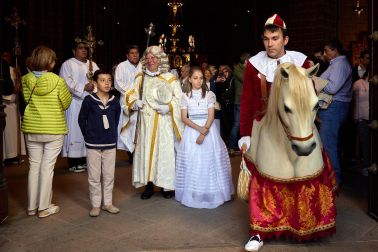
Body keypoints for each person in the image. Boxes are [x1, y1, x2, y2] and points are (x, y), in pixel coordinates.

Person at [238, 14, 337, 251]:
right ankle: (259, 231)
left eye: (275, 38)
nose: (270, 44)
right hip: (266, 127)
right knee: (265, 177)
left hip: (298, 126)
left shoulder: (301, 62)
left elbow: (309, 95)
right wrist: (245, 134)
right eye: (266, 39)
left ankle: (302, 224)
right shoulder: (254, 64)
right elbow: (248, 102)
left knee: (304, 174)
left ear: (285, 39)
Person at [121, 46, 184, 199]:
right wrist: (135, 103)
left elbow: (180, 100)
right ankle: (148, 186)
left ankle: (165, 186)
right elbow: (127, 97)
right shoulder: (140, 79)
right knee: (146, 152)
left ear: (160, 59)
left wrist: (168, 107)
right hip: (146, 123)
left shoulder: (170, 79)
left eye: (153, 57)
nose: (150, 61)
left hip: (165, 123)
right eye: (147, 58)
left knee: (164, 153)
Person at [21, 46, 72, 218]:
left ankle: (31, 207)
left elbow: (25, 99)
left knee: (34, 166)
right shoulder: (58, 81)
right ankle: (43, 207)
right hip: (53, 128)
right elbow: (66, 104)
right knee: (47, 167)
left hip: (32, 128)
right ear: (50, 62)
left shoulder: (26, 79)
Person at [175, 67, 234, 208]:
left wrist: (203, 132)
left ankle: (211, 192)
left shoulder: (209, 95)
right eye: (195, 78)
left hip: (208, 130)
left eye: (201, 78)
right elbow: (184, 118)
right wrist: (199, 129)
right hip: (192, 129)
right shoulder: (185, 96)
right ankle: (194, 191)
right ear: (189, 79)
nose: (199, 81)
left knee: (209, 161)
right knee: (194, 160)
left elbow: (211, 116)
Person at [78, 69, 121, 217]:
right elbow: (81, 119)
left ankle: (107, 203)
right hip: (93, 143)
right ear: (95, 83)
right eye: (102, 80)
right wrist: (88, 135)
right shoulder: (89, 100)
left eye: (109, 80)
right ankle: (96, 204)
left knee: (109, 175)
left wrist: (112, 135)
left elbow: (116, 119)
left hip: (109, 143)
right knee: (94, 176)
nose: (107, 83)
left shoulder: (115, 101)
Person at [59, 42, 99, 173]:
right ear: (73, 50)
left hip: (91, 102)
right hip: (75, 102)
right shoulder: (68, 64)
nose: (84, 50)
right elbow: (65, 82)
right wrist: (83, 87)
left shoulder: (92, 64)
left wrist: (95, 86)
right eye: (80, 48)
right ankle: (74, 161)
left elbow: (99, 78)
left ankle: (85, 159)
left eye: (85, 48)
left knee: (89, 130)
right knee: (75, 131)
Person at [317, 39, 352, 184]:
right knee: (331, 145)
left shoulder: (339, 65)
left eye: (326, 51)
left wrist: (315, 81)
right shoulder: (335, 65)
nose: (324, 54)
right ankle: (331, 180)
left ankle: (332, 184)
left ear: (335, 51)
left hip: (333, 108)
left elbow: (332, 88)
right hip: (333, 108)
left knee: (328, 146)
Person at [114, 45, 142, 160]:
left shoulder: (142, 66)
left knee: (139, 125)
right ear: (127, 55)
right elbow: (117, 83)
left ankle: (138, 151)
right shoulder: (122, 66)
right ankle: (130, 153)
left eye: (136, 52)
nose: (135, 55)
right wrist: (132, 92)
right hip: (127, 101)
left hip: (140, 100)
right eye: (132, 53)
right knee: (129, 125)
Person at [1, 50, 26, 162]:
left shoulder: (13, 69)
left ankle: (15, 154)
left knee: (15, 133)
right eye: (5, 56)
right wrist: (12, 90)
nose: (8, 58)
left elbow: (19, 86)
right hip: (5, 103)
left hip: (14, 104)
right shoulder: (2, 69)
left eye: (9, 56)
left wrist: (19, 76)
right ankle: (6, 156)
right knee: (7, 133)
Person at [229, 52, 251, 158]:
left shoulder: (246, 69)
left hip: (247, 101)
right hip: (239, 101)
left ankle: (246, 147)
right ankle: (231, 148)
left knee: (248, 125)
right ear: (246, 61)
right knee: (237, 125)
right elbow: (246, 79)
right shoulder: (237, 70)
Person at [352, 70, 370, 175]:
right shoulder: (358, 83)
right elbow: (354, 101)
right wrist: (355, 116)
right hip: (362, 117)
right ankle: (366, 166)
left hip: (373, 117)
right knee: (364, 142)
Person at [216, 66, 234, 142]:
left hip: (231, 104)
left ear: (229, 72)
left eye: (226, 72)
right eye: (223, 72)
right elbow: (218, 92)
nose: (225, 74)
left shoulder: (232, 80)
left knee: (232, 122)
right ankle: (229, 139)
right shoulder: (221, 82)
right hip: (223, 104)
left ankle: (233, 140)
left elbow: (232, 91)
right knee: (226, 123)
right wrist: (221, 83)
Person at [204, 67, 220, 133]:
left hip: (214, 105)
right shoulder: (201, 83)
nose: (208, 74)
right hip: (205, 105)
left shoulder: (214, 82)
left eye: (209, 73)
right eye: (206, 73)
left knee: (216, 123)